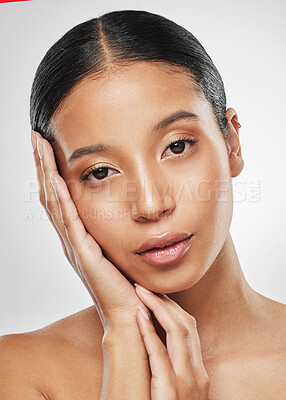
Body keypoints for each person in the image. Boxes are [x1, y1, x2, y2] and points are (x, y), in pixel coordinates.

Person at [1, 9, 286, 400]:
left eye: (177, 146)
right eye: (100, 173)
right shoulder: (19, 372)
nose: (151, 205)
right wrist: (122, 334)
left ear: (232, 143)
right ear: (58, 192)